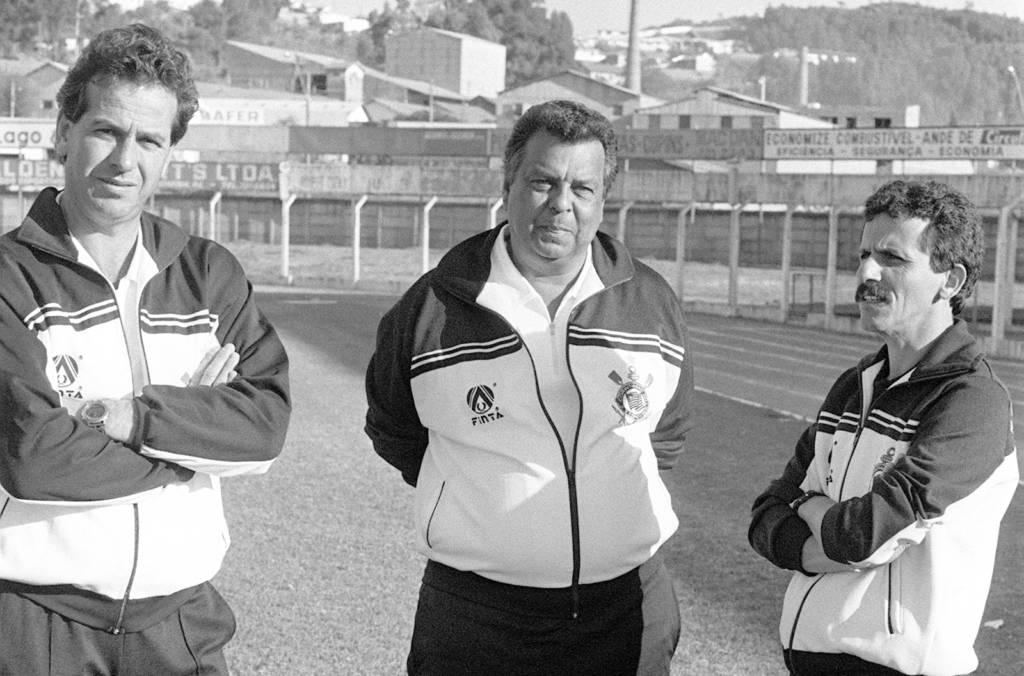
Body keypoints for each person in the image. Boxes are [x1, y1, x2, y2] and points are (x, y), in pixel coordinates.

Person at [364, 99, 694, 675]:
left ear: (603, 199)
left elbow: (663, 435)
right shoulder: (431, 307)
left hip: (625, 608)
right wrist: (476, 495)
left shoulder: (650, 303)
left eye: (582, 188)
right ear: (508, 183)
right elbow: (394, 429)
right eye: (543, 182)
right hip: (477, 618)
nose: (561, 204)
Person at [0, 23, 290, 674]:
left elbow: (265, 429)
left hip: (181, 623)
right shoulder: (8, 277)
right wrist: (190, 444)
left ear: (168, 152)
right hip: (37, 626)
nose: (124, 160)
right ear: (64, 131)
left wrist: (130, 419)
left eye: (149, 140)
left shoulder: (208, 274)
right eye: (106, 130)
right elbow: (35, 459)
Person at [748, 179, 1018, 676]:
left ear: (951, 280)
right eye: (864, 254)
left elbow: (860, 536)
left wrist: (806, 505)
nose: (866, 272)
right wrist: (818, 530)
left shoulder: (971, 402)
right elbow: (765, 516)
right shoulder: (854, 386)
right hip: (811, 660)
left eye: (892, 258)